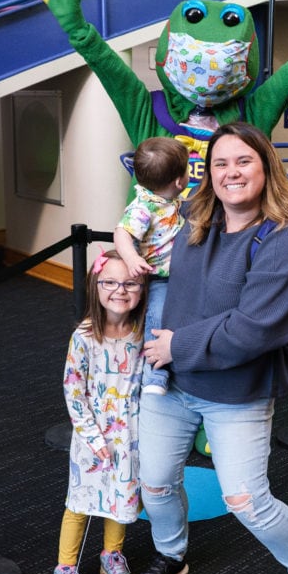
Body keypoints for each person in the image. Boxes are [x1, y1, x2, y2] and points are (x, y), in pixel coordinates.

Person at [132, 121, 288, 574]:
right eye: (220, 163)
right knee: (154, 485)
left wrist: (178, 344)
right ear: (208, 174)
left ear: (266, 167)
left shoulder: (287, 240)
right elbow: (150, 258)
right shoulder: (195, 221)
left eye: (243, 161)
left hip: (235, 393)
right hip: (171, 383)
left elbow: (256, 328)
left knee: (246, 500)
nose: (231, 172)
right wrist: (113, 266)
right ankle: (171, 554)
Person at [52, 249, 146, 574]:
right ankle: (65, 568)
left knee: (121, 496)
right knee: (80, 503)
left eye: (130, 283)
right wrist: (93, 437)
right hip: (93, 439)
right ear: (96, 285)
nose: (119, 290)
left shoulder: (141, 334)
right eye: (109, 282)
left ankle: (112, 555)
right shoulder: (85, 337)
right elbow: (74, 392)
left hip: (131, 437)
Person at [114, 137, 190, 395]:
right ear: (179, 181)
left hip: (180, 275)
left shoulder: (168, 201)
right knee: (157, 318)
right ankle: (154, 375)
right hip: (159, 278)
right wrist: (132, 259)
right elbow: (122, 233)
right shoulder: (143, 206)